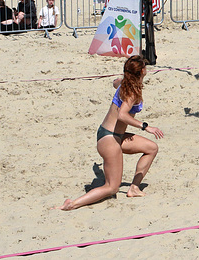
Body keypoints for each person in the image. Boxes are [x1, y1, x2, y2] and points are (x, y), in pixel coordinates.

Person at [57, 55, 163, 210]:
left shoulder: (124, 83)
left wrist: (97, 169)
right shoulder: (132, 92)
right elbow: (122, 115)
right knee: (112, 188)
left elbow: (115, 83)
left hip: (114, 135)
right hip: (109, 139)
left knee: (151, 148)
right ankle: (71, 204)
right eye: (145, 67)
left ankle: (134, 188)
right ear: (142, 71)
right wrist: (145, 126)